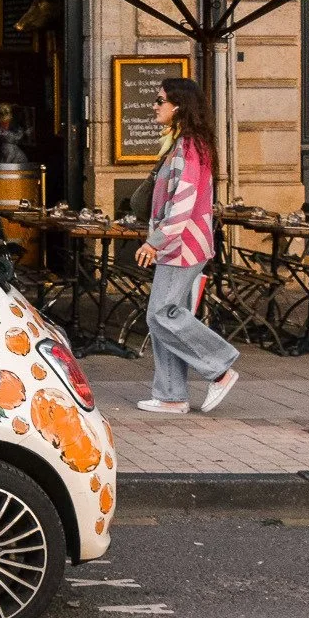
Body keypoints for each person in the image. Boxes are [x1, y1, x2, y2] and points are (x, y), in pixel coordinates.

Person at [132, 76, 239, 416]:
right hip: (178, 246)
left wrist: (155, 241)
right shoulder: (181, 144)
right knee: (165, 316)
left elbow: (184, 202)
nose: (154, 106)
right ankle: (171, 395)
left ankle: (219, 367)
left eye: (159, 100)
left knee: (161, 314)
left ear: (178, 106)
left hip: (184, 246)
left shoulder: (190, 147)